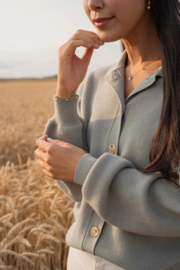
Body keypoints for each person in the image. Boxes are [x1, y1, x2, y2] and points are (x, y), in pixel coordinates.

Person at [34, 0, 180, 269]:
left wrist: (86, 170)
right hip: (78, 259)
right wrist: (65, 93)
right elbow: (74, 187)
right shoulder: (96, 81)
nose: (92, 3)